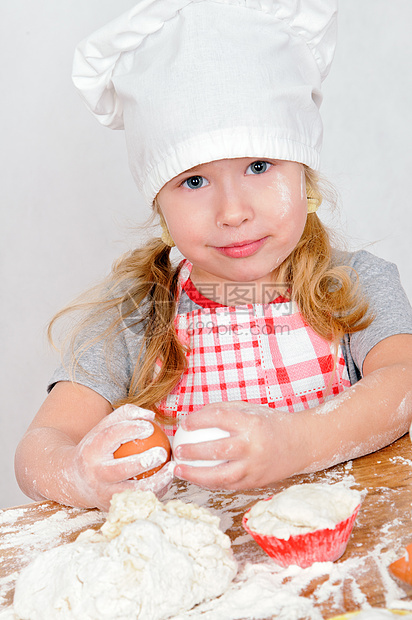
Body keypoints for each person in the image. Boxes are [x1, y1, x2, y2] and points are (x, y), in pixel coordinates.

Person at [15, 0, 412, 511]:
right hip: (209, 576)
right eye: (193, 180)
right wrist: (79, 473)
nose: (232, 211)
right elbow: (38, 448)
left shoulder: (357, 282)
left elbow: (402, 384)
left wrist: (297, 444)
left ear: (305, 177)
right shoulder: (138, 314)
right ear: (159, 203)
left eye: (260, 164)